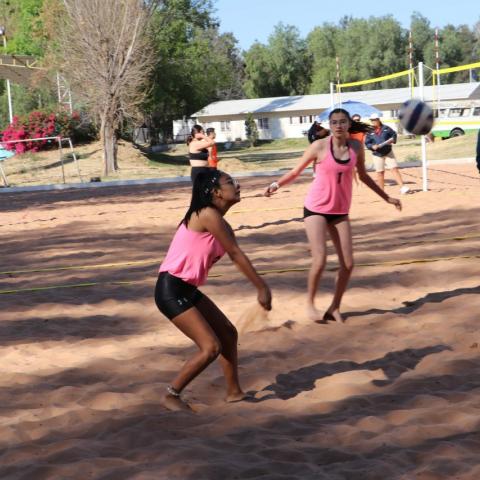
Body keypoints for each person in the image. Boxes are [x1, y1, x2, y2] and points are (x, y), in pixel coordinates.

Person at [264, 108, 401, 323]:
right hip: (316, 208)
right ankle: (310, 305)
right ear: (329, 125)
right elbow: (295, 172)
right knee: (319, 260)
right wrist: (275, 184)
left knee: (348, 264)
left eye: (342, 122)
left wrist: (387, 197)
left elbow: (363, 176)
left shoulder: (356, 147)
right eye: (334, 122)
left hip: (340, 211)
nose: (338, 125)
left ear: (348, 124)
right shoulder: (319, 146)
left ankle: (334, 307)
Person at [155, 170, 272, 411]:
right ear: (216, 192)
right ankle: (171, 395)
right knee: (210, 347)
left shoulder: (222, 224)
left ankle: (234, 392)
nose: (237, 185)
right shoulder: (207, 214)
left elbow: (231, 254)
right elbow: (236, 255)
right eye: (230, 182)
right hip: (171, 290)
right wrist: (261, 287)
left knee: (228, 334)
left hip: (186, 288)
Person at [365, 113, 410, 194]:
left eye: (375, 120)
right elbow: (367, 143)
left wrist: (393, 140)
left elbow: (394, 135)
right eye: (372, 120)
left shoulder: (386, 128)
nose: (373, 121)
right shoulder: (369, 131)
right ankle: (381, 192)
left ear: (378, 119)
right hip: (377, 154)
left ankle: (402, 187)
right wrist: (372, 146)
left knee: (394, 169)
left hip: (388, 152)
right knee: (380, 172)